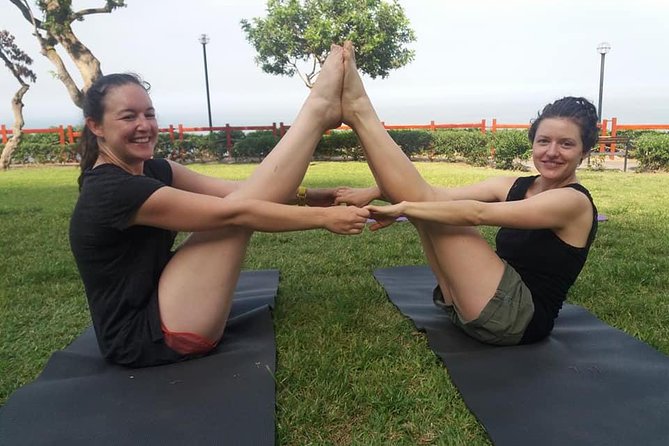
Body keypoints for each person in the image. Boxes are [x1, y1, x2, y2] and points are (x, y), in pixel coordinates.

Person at [69, 44, 369, 367]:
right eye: (129, 116)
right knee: (235, 216)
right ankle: (317, 113)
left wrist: (311, 196)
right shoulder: (112, 190)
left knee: (240, 202)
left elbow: (237, 192)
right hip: (142, 337)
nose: (144, 125)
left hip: (165, 300)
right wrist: (324, 218)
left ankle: (318, 113)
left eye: (149, 114)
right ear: (96, 126)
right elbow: (236, 211)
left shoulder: (154, 169)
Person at [335, 41, 598, 345]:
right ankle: (359, 113)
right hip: (472, 304)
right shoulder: (514, 185)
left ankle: (360, 112)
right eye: (544, 141)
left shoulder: (572, 201)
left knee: (438, 214)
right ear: (533, 143)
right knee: (429, 207)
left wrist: (404, 206)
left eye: (566, 144)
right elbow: (437, 195)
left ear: (584, 152)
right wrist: (380, 191)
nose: (552, 152)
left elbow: (476, 213)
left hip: (518, 319)